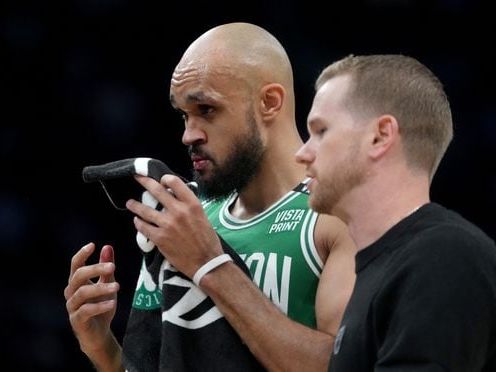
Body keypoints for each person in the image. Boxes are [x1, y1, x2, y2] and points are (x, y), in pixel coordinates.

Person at [64, 23, 356, 371]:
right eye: (184, 115)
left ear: (269, 102)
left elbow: (345, 365)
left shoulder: (337, 213)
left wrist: (209, 264)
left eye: (206, 109)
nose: (188, 134)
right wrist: (102, 348)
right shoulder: (187, 217)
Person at [295, 54, 496, 371]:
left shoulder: (443, 256)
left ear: (380, 136)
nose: (302, 153)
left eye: (320, 131)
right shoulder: (383, 266)